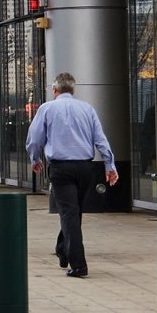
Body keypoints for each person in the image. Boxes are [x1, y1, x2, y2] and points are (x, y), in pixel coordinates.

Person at [25, 72, 118, 278]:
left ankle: (78, 265)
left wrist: (34, 158)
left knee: (69, 214)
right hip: (86, 168)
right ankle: (63, 249)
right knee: (74, 213)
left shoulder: (47, 108)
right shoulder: (87, 109)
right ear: (73, 90)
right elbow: (100, 139)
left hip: (61, 168)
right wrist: (109, 165)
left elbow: (34, 138)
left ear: (54, 90)